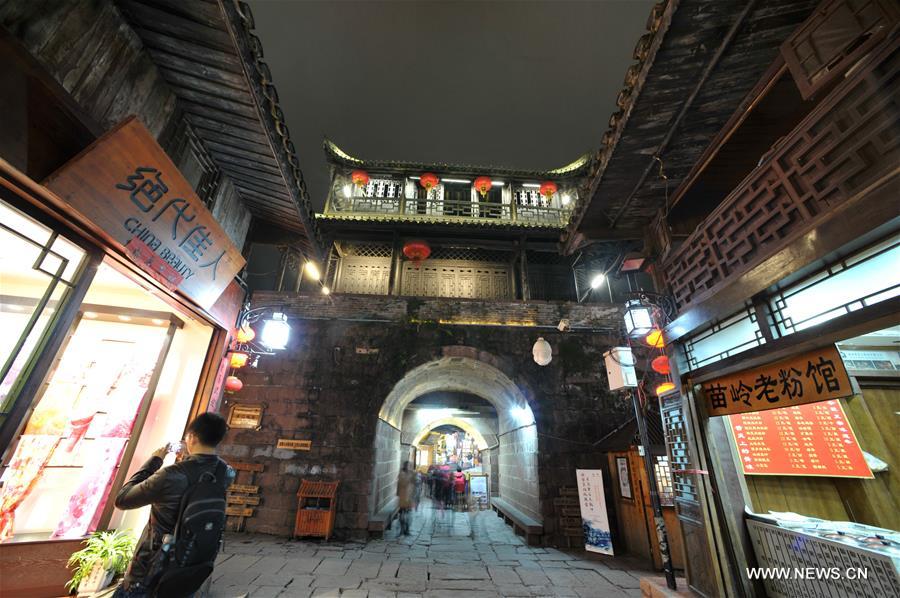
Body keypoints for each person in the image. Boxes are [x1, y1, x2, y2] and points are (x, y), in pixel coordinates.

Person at [113, 412, 233, 597]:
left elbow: (123, 499)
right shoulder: (225, 473)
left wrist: (154, 461)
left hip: (150, 570)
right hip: (188, 569)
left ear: (191, 437)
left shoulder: (170, 475)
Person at [396, 461, 415, 536]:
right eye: (408, 465)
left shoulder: (411, 474)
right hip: (403, 497)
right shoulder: (402, 474)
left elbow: (414, 483)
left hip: (409, 497)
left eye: (410, 465)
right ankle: (402, 529)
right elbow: (402, 482)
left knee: (408, 515)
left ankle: (407, 529)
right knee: (402, 514)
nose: (409, 467)